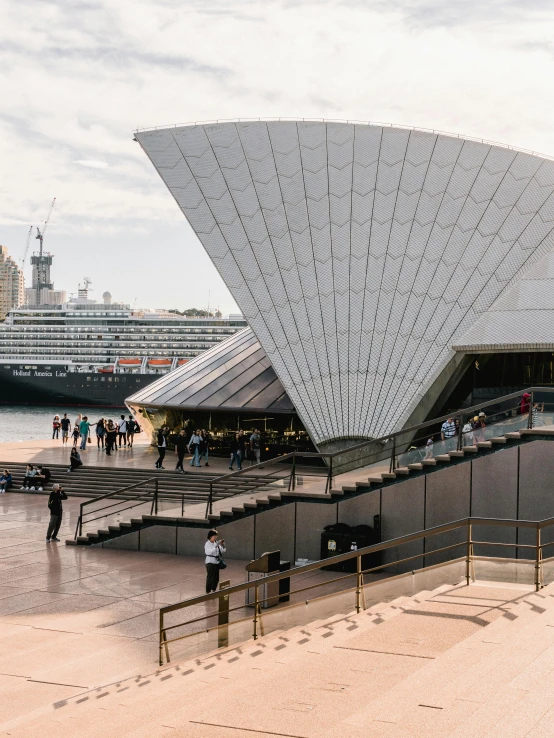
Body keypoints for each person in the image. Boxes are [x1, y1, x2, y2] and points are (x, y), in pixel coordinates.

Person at [204, 529, 226, 594]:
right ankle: (208, 591)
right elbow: (208, 552)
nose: (215, 538)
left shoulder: (216, 543)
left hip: (216, 562)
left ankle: (213, 590)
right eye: (214, 536)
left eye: (216, 536)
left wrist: (223, 545)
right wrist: (215, 547)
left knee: (216, 578)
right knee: (210, 577)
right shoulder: (207, 544)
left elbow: (222, 551)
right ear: (210, 536)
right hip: (210, 562)